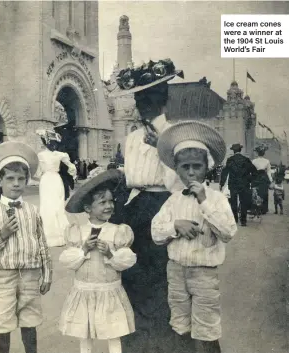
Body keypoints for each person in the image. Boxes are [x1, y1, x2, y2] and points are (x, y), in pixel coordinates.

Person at [109, 58, 184, 353]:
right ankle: (137, 339)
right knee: (130, 271)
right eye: (141, 99)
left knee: (159, 274)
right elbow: (128, 177)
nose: (145, 106)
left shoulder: (175, 133)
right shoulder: (131, 137)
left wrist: (161, 148)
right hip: (135, 204)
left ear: (163, 100)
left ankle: (162, 339)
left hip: (164, 204)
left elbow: (179, 183)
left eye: (151, 99)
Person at [152, 121, 237, 353]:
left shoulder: (217, 199)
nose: (191, 172)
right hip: (176, 270)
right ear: (177, 169)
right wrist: (175, 226)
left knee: (206, 327)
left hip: (204, 273)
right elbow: (156, 233)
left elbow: (228, 232)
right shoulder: (173, 200)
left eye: (197, 166)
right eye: (185, 167)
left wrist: (204, 202)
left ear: (206, 168)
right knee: (180, 323)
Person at [0, 141, 52, 353]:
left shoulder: (33, 211)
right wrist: (2, 235)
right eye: (10, 179)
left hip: (30, 274)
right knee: (2, 321)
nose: (16, 184)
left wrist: (47, 274)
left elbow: (42, 244)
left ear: (26, 181)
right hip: (3, 277)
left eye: (21, 179)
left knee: (30, 320)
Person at [59, 169, 136, 353]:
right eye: (102, 202)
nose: (109, 206)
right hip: (84, 290)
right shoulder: (78, 231)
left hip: (108, 291)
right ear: (88, 209)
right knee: (84, 334)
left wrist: (110, 254)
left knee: (113, 333)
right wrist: (83, 249)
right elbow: (68, 261)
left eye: (111, 201)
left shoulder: (118, 231)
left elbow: (127, 260)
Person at [36, 129, 76, 247]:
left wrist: (40, 175)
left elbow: (38, 172)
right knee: (54, 205)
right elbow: (72, 167)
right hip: (55, 179)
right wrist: (73, 174)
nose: (53, 145)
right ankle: (59, 234)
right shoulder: (60, 155)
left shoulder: (41, 155)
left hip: (47, 180)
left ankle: (51, 235)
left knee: (50, 205)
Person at [219, 143, 257, 227]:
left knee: (233, 202)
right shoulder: (246, 160)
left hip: (233, 184)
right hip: (244, 184)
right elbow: (254, 171)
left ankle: (235, 220)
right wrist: (249, 179)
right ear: (240, 150)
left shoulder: (230, 160)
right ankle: (243, 221)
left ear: (233, 151)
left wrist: (221, 183)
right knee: (243, 202)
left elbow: (225, 172)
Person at [252, 144, 273, 214]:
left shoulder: (254, 161)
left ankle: (257, 208)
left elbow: (251, 171)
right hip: (264, 177)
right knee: (264, 193)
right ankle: (264, 209)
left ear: (257, 153)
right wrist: (270, 180)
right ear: (263, 153)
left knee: (256, 192)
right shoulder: (267, 161)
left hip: (256, 177)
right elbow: (269, 172)